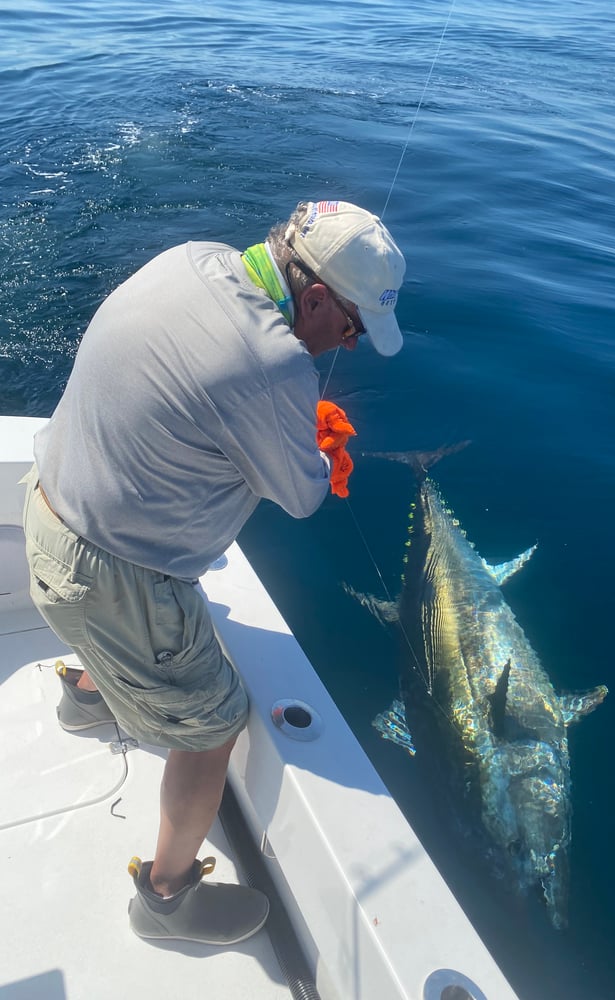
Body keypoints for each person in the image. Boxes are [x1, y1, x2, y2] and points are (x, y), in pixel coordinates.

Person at [22, 199, 406, 946]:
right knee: (216, 723)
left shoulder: (193, 257)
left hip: (47, 508)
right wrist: (322, 446)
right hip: (107, 581)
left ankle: (86, 695)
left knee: (166, 591)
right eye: (353, 327)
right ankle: (164, 899)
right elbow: (300, 496)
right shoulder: (274, 365)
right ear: (319, 297)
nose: (350, 347)